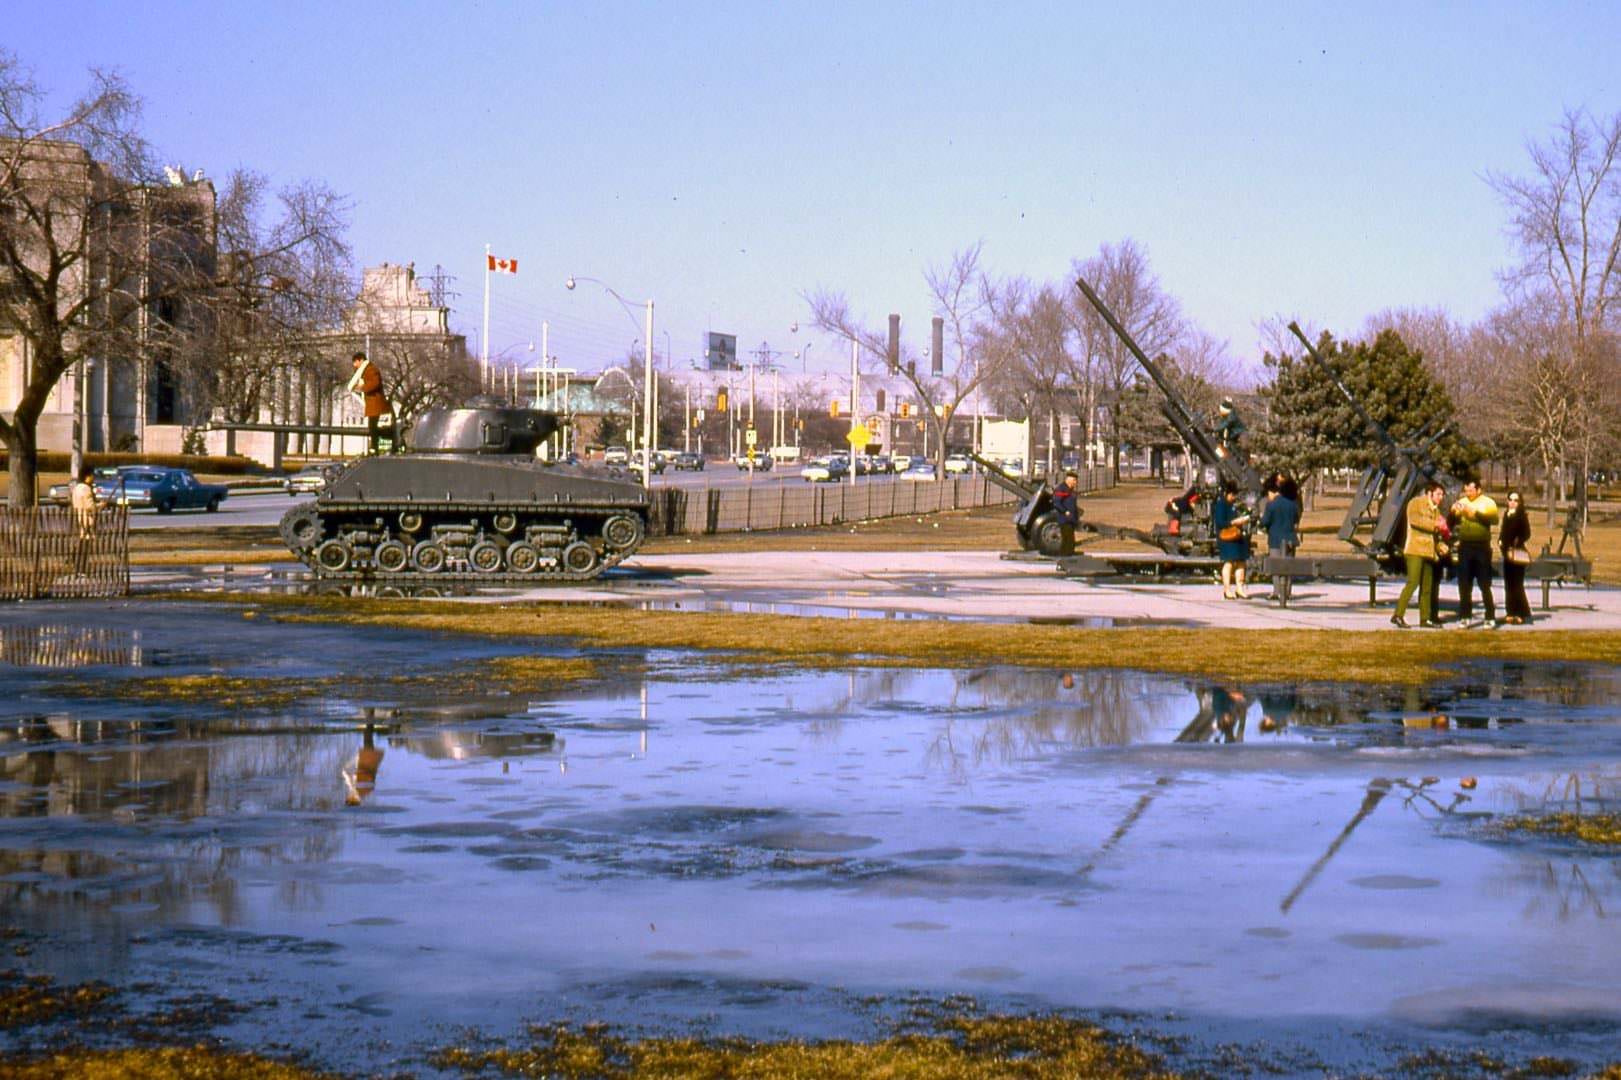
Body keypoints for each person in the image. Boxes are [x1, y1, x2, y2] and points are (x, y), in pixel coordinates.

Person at [1393, 481, 1445, 628]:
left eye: (1442, 495)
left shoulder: (1437, 511)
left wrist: (1441, 546)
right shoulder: (1415, 503)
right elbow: (1415, 521)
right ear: (1429, 493)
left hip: (1429, 553)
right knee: (1413, 582)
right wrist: (1435, 525)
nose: (1441, 497)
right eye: (1438, 494)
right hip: (1415, 549)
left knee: (1427, 586)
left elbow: (1436, 535)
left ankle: (1425, 618)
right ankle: (1398, 615)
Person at [1450, 478, 1499, 627]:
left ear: (1478, 490)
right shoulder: (1462, 501)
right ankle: (1465, 615)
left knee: (1484, 583)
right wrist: (1453, 512)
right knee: (1464, 583)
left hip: (1481, 547)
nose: (1468, 493)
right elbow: (1451, 522)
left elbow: (1494, 520)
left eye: (1471, 490)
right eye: (1466, 490)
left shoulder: (1488, 503)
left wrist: (1475, 513)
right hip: (1465, 546)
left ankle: (1490, 616)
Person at [1259, 474, 1302, 605]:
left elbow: (1265, 521)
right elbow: (1296, 520)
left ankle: (1278, 592)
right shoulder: (1293, 505)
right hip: (1290, 538)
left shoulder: (1271, 505)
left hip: (1276, 539)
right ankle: (1287, 591)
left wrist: (1263, 524)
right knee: (1289, 567)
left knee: (1276, 567)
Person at [1498, 489, 1533, 624]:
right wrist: (1500, 541)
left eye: (1515, 500)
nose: (1512, 503)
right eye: (1510, 500)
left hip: (1517, 554)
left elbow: (1527, 533)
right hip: (1507, 554)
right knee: (1508, 584)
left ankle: (1521, 612)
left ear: (1520, 503)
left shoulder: (1521, 516)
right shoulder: (1506, 514)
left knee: (1517, 584)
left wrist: (1518, 540)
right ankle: (1510, 612)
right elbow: (1503, 531)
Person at [1212, 480, 1251, 599]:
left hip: (1237, 535)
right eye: (1232, 495)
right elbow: (1220, 522)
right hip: (1226, 536)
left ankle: (1240, 588)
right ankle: (1227, 589)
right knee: (1228, 562)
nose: (1233, 497)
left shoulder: (1235, 505)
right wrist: (1234, 522)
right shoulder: (1221, 504)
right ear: (1226, 493)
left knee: (1241, 562)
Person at [347, 351, 390, 454]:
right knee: (373, 426)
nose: (354, 365)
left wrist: (362, 387)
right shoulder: (365, 370)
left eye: (355, 362)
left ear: (361, 360)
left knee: (373, 426)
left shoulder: (371, 369)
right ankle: (375, 447)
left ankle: (375, 447)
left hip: (375, 402)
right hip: (372, 403)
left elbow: (375, 383)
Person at [69, 467, 98, 575]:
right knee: (85, 547)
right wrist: (100, 506)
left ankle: (78, 567)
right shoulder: (86, 489)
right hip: (86, 520)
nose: (93, 478)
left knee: (81, 546)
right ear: (87, 476)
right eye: (92, 475)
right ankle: (82, 568)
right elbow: (90, 506)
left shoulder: (76, 488)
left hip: (79, 517)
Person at [1051, 470, 1080, 556]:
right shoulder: (1062, 489)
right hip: (1065, 519)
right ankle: (1066, 557)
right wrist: (1065, 511)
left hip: (1071, 519)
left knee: (1070, 540)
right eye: (1074, 480)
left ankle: (1069, 556)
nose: (1075, 482)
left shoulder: (1070, 490)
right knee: (1067, 540)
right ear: (1069, 479)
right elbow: (1057, 503)